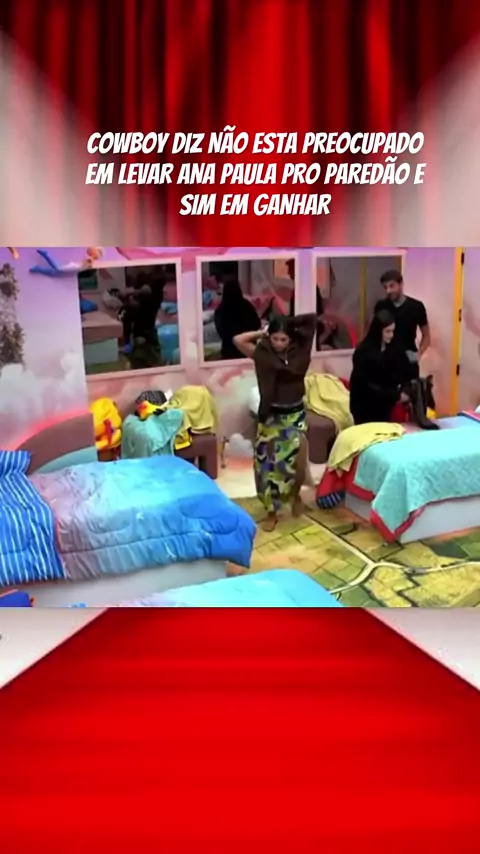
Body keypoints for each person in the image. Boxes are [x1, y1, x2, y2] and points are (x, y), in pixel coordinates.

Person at [233, 313, 316, 531]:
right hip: (271, 417)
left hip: (295, 416)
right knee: (266, 466)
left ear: (291, 339)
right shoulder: (262, 354)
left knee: (295, 464)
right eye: (275, 339)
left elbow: (311, 319)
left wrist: (289, 323)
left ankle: (295, 497)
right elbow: (238, 340)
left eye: (283, 339)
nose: (278, 343)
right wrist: (263, 332)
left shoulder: (301, 351)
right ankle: (271, 510)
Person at [349, 310, 411, 425]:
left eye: (392, 331)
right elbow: (364, 384)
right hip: (364, 406)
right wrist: (394, 395)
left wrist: (404, 390)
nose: (391, 335)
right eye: (387, 332)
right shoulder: (363, 352)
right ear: (378, 331)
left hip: (384, 406)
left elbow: (403, 371)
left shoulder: (393, 349)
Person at [375, 269, 430, 380]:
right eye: (385, 287)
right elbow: (374, 333)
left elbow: (426, 336)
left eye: (392, 286)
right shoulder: (381, 306)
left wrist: (418, 354)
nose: (388, 291)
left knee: (409, 390)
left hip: (408, 360)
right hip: (386, 360)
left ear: (401, 284)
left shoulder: (416, 307)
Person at [214, 278, 261, 359]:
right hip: (247, 349)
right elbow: (257, 325)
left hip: (228, 350)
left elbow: (220, 332)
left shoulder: (220, 310)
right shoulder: (247, 306)